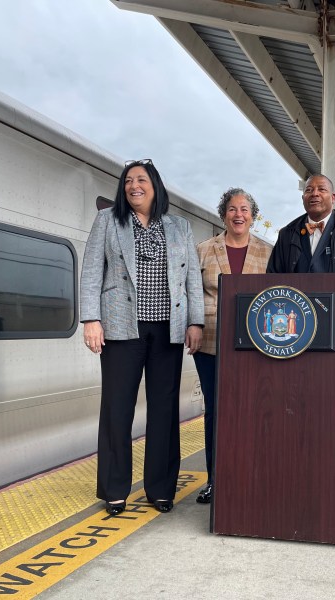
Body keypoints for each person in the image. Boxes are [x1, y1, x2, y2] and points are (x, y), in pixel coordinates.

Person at [81, 159, 204, 516]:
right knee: (117, 408)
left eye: (142, 180)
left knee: (165, 410)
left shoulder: (179, 226)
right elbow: (91, 271)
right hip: (121, 327)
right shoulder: (107, 221)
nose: (134, 185)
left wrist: (195, 323)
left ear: (155, 186)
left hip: (168, 328)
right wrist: (91, 318)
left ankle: (161, 488)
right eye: (128, 180)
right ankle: (115, 489)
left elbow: (191, 280)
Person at [193, 188, 272, 504]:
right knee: (215, 411)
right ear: (223, 214)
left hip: (254, 346)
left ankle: (251, 475)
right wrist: (193, 325)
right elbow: (190, 292)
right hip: (210, 342)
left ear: (253, 216)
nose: (238, 214)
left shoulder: (268, 252)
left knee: (252, 411)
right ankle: (215, 479)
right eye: (232, 209)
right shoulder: (202, 249)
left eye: (244, 209)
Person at [267, 174, 335, 274]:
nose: (314, 194)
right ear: (303, 199)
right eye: (309, 190)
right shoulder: (287, 234)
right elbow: (274, 278)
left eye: (322, 189)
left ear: (333, 198)